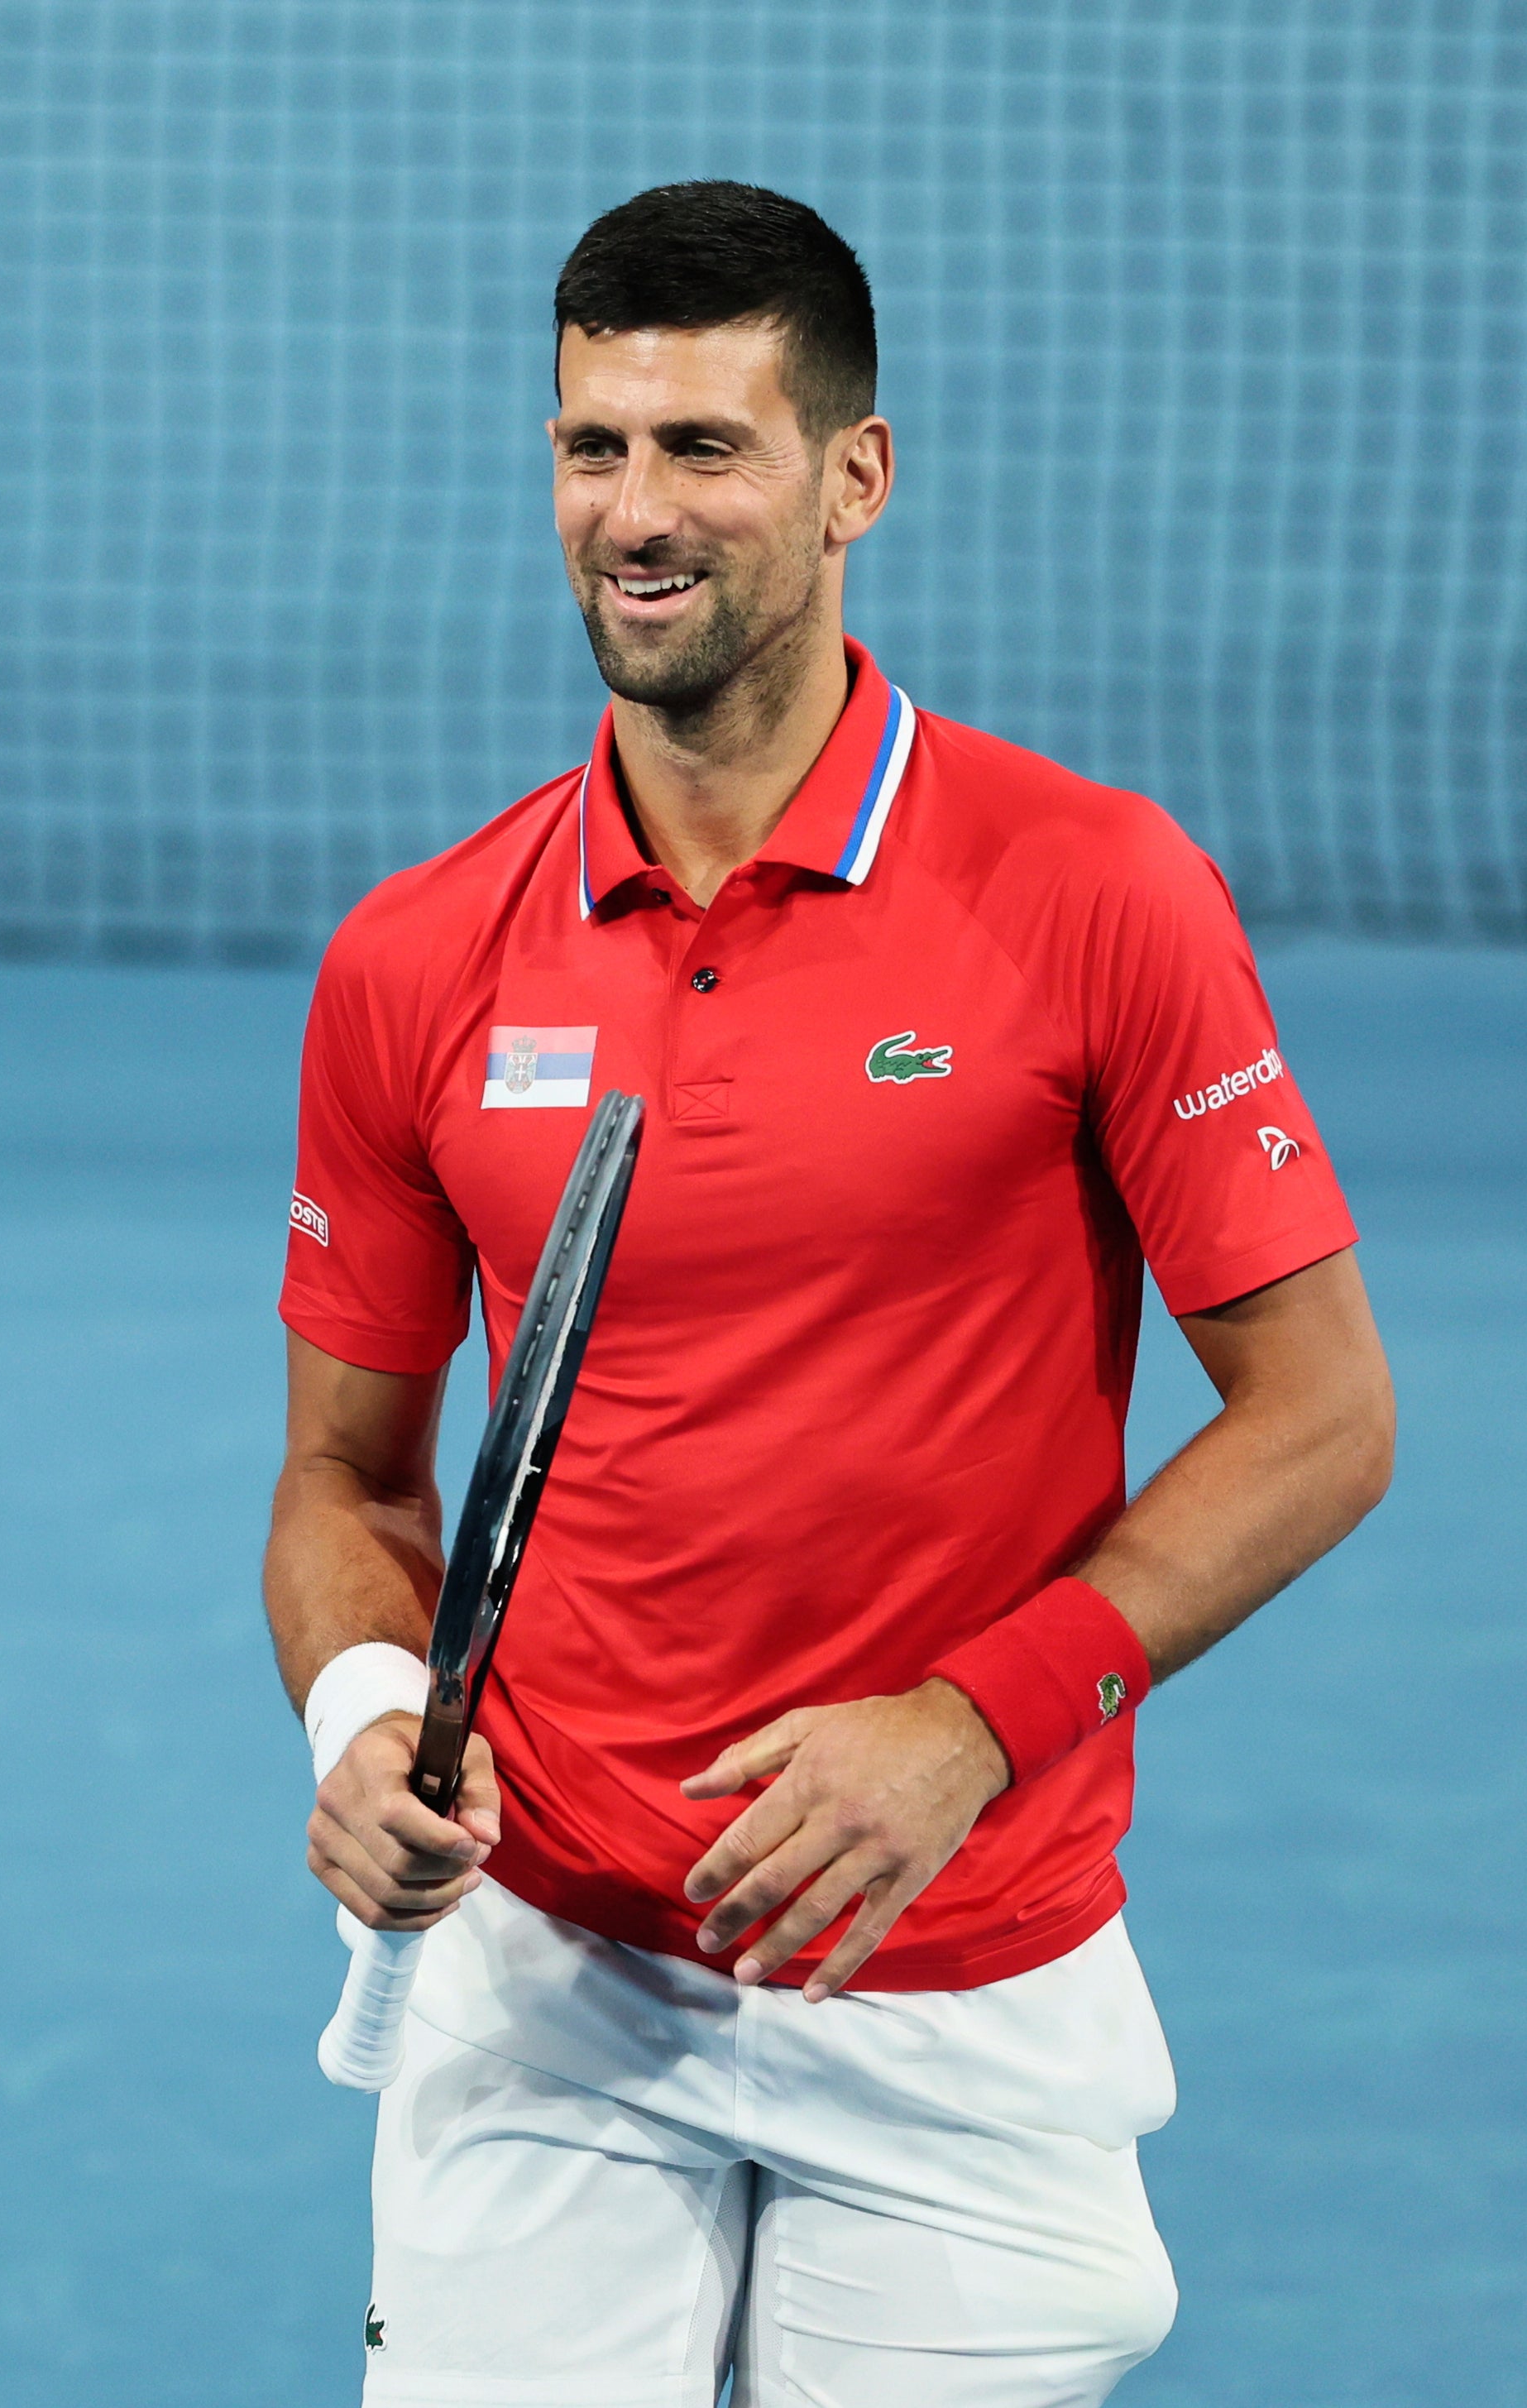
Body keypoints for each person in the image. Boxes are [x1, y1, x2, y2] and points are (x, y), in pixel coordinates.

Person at [268, 183, 1391, 2404]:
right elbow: (344, 1480)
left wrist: (973, 1724)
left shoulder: (1100, 894)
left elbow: (1324, 1414)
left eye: (706, 447)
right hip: (552, 1985)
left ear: (854, 476)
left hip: (958, 1983)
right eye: (594, 448)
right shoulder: (417, 957)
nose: (636, 513)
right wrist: (360, 1718)